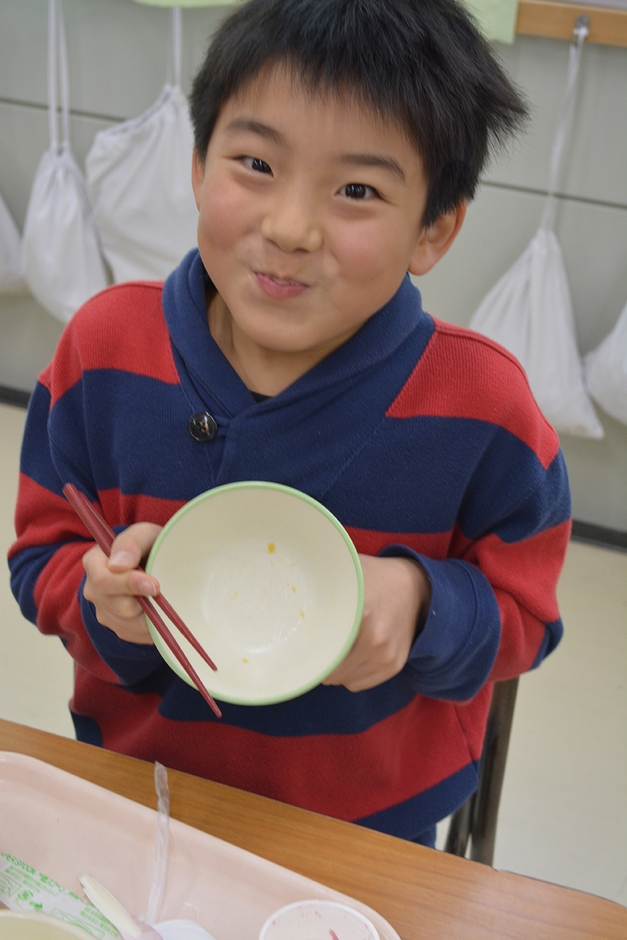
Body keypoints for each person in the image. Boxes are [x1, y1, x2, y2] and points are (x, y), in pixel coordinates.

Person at [9, 0, 571, 848]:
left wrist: (421, 602)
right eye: (254, 163)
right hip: (140, 798)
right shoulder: (104, 350)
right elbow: (41, 558)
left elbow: (527, 621)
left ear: (434, 229)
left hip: (368, 832)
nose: (289, 229)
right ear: (198, 165)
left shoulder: (484, 407)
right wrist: (100, 603)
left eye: (357, 190)